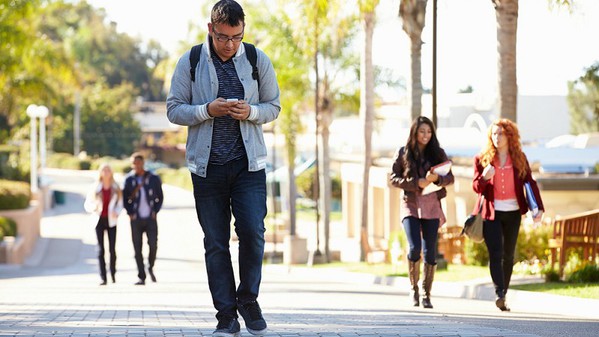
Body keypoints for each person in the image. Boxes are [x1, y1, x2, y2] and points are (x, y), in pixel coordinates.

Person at [165, 0, 280, 335]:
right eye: (223, 37)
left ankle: (249, 300)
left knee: (253, 234)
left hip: (249, 166)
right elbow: (174, 110)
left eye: (236, 37)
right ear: (210, 30)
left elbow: (273, 106)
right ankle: (226, 315)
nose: (230, 44)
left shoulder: (258, 59)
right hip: (207, 170)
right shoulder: (191, 61)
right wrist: (207, 110)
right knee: (215, 242)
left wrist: (252, 113)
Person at [472, 118, 544, 311]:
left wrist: (539, 208)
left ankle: (503, 291)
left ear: (509, 136)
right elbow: (476, 187)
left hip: (513, 212)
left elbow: (530, 182)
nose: (497, 137)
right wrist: (485, 178)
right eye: (494, 134)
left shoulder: (519, 157)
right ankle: (500, 293)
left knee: (508, 255)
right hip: (491, 213)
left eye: (501, 133)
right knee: (495, 253)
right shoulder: (482, 159)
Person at [389, 116, 454, 309]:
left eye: (429, 132)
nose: (425, 135)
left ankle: (426, 293)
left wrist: (436, 180)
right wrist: (415, 183)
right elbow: (393, 178)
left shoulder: (438, 153)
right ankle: (414, 289)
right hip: (410, 203)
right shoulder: (403, 152)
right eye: (421, 131)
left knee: (430, 252)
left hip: (432, 205)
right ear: (415, 132)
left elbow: (450, 177)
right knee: (414, 247)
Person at [122, 152, 164, 286]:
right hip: (136, 219)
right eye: (134, 163)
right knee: (137, 248)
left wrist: (155, 211)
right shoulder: (129, 180)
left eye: (139, 163)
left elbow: (160, 197)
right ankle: (141, 276)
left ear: (143, 163)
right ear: (132, 164)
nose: (137, 165)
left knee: (153, 244)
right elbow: (125, 199)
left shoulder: (153, 178)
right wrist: (130, 213)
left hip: (150, 218)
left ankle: (150, 266)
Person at [84, 163, 123, 286]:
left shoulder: (116, 187)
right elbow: (87, 203)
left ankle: (113, 273)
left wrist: (117, 212)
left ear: (111, 172)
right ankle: (103, 277)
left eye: (108, 170)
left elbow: (120, 204)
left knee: (112, 249)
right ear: (100, 173)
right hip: (99, 220)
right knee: (101, 250)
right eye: (104, 170)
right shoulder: (95, 187)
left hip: (111, 221)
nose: (106, 172)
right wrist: (93, 207)